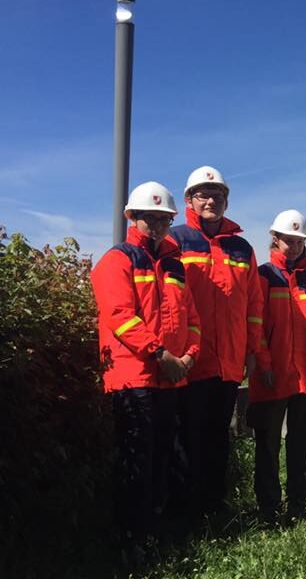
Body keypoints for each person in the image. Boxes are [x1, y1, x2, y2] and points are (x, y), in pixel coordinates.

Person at [91, 181, 202, 553]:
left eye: (162, 220)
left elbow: (192, 319)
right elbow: (119, 316)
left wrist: (189, 356)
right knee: (136, 460)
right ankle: (132, 540)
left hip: (169, 378)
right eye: (148, 219)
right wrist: (161, 355)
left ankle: (156, 532)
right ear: (132, 218)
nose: (155, 226)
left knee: (163, 457)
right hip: (133, 378)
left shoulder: (174, 266)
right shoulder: (117, 260)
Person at [169, 166, 263, 515]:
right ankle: (186, 513)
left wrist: (251, 350)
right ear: (189, 200)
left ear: (226, 201)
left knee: (219, 436)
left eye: (218, 195)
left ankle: (214, 507)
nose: (211, 200)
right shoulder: (175, 241)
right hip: (191, 361)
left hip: (229, 362)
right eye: (203, 195)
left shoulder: (242, 248)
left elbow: (254, 305)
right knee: (187, 438)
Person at [247, 210, 306, 523]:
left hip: (305, 374)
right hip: (273, 373)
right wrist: (264, 363)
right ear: (275, 239)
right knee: (268, 443)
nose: (294, 246)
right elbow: (255, 323)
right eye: (288, 240)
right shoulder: (264, 276)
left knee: (301, 441)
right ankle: (269, 507)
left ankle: (300, 501)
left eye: (299, 241)